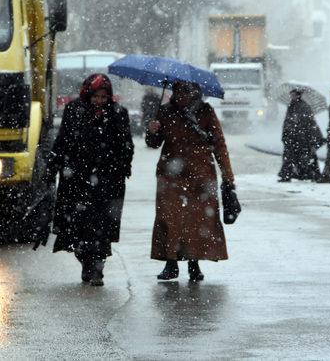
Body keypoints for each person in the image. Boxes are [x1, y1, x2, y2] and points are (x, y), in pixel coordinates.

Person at [46, 73, 134, 286]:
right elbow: (63, 141)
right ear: (88, 94)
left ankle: (97, 268)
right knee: (78, 226)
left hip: (107, 181)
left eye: (104, 97)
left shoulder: (118, 113)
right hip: (76, 180)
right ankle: (86, 261)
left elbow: (126, 145)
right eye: (96, 96)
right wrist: (53, 166)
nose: (100, 101)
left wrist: (121, 165)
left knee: (101, 228)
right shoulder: (74, 110)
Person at [146, 81, 235, 281]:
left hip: (200, 173)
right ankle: (171, 263)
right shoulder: (165, 111)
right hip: (171, 173)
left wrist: (228, 177)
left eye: (185, 91)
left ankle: (194, 263)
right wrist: (152, 131)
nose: (181, 95)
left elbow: (219, 143)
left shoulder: (205, 111)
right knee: (170, 217)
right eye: (177, 91)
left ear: (195, 92)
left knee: (197, 220)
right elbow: (154, 143)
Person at [278, 89, 324, 182]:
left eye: (293, 94)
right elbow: (287, 121)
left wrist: (311, 138)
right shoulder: (291, 106)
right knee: (290, 156)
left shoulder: (304, 106)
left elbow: (308, 123)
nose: (291, 96)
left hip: (301, 136)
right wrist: (285, 134)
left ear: (298, 95)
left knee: (306, 156)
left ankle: (313, 174)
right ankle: (287, 175)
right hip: (292, 136)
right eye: (291, 94)